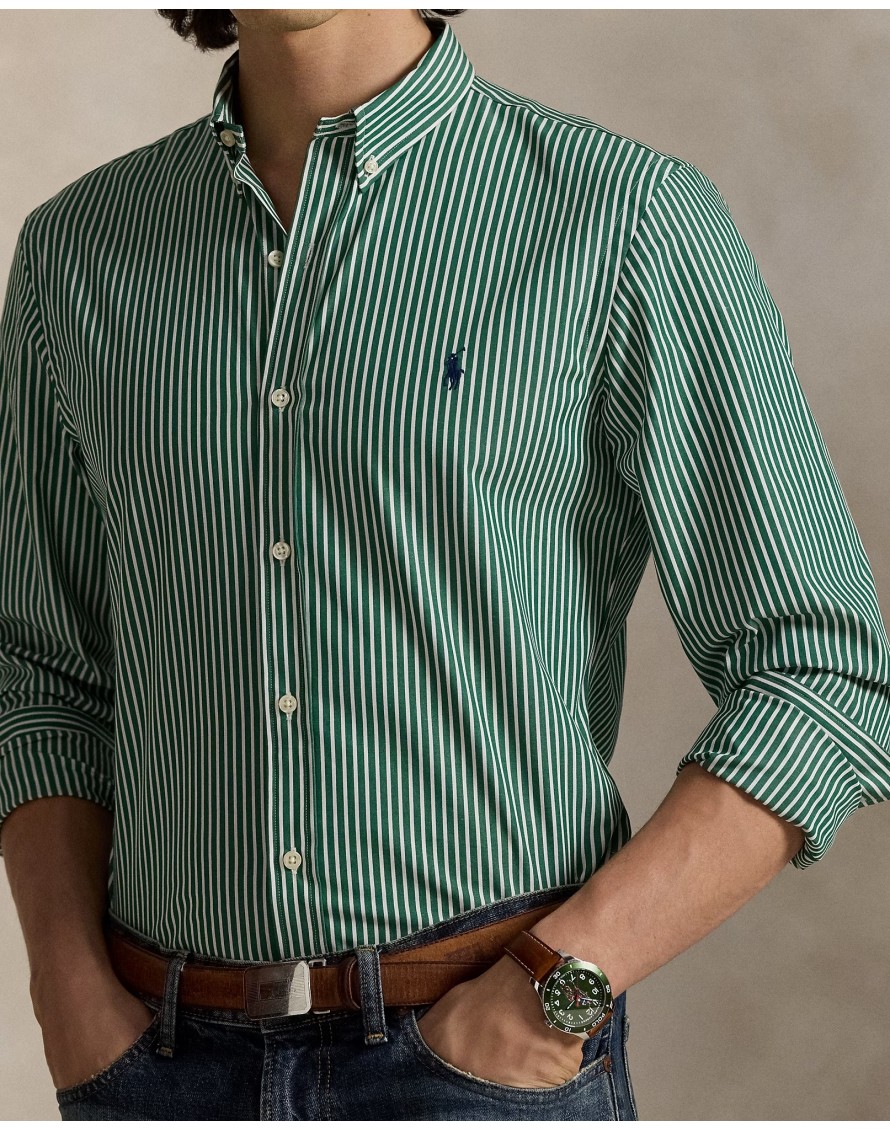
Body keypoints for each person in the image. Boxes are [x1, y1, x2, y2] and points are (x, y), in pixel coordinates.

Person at [2, 8, 889, 1121]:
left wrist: (556, 987)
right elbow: (42, 668)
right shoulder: (78, 251)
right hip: (156, 1066)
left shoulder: (620, 218)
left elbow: (816, 673)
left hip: (480, 1064)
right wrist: (64, 987)